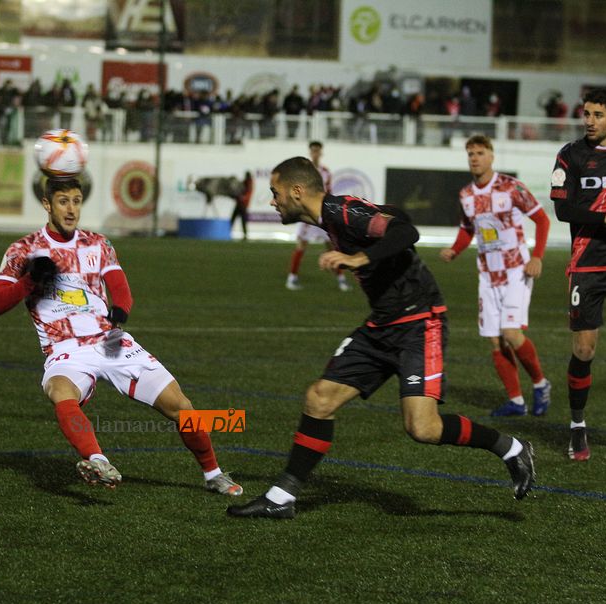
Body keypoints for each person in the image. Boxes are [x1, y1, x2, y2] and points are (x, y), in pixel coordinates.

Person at [228, 157, 535, 519]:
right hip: (382, 325)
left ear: (297, 191)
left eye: (275, 192)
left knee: (423, 427)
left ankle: (511, 447)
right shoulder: (336, 215)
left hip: (420, 321)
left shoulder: (341, 211)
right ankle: (281, 498)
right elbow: (396, 217)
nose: (272, 200)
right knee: (319, 399)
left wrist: (359, 258)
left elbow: (406, 233)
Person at [0, 177, 243, 496]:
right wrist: (29, 282)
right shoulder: (22, 250)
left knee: (181, 406)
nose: (71, 209)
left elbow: (121, 289)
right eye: (63, 201)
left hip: (110, 340)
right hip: (64, 347)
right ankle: (97, 459)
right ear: (47, 204)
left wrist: (119, 312)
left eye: (77, 201)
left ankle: (213, 473)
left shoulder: (98, 243)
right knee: (60, 391)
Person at [439, 134, 552, 417]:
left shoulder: (510, 187)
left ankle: (540, 383)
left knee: (511, 333)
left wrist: (537, 256)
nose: (474, 158)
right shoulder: (466, 195)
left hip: (516, 268)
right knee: (494, 339)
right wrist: (455, 250)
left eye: (480, 152)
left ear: (491, 156)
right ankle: (516, 401)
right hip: (487, 274)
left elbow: (541, 219)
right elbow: (468, 229)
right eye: (470, 154)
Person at [550, 88, 606, 462]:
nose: (590, 121)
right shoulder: (571, 155)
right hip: (588, 266)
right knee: (584, 349)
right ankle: (578, 425)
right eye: (587, 113)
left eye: (598, 115)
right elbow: (563, 211)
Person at [286, 141, 350, 292]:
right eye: (313, 150)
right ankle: (292, 278)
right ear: (310, 152)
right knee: (301, 245)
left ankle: (341, 279)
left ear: (321, 153)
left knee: (331, 246)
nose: (315, 153)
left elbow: (328, 193)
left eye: (318, 151)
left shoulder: (325, 172)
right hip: (307, 215)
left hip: (322, 214)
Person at [230, 171, 253, 240]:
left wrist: (242, 197)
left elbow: (247, 193)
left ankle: (244, 235)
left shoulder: (248, 183)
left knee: (235, 219)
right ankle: (245, 235)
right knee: (240, 220)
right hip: (242, 204)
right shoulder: (247, 183)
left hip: (242, 205)